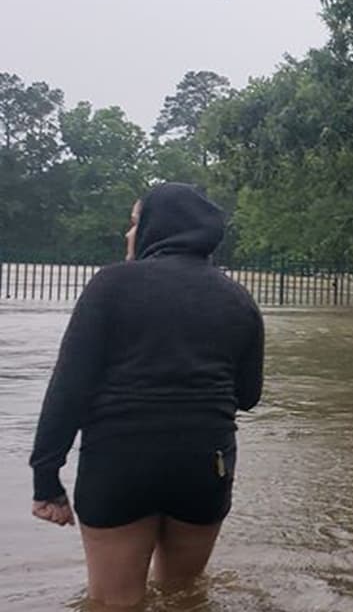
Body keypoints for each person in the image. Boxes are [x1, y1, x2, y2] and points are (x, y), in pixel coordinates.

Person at [28, 183, 264, 608]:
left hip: (121, 462)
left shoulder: (111, 285)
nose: (128, 234)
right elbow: (248, 396)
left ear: (158, 228)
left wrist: (46, 476)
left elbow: (69, 386)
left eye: (135, 222)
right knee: (183, 596)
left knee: (113, 603)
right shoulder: (239, 299)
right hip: (204, 464)